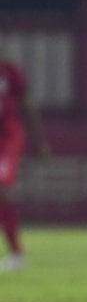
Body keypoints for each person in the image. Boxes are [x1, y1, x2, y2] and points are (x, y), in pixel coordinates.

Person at [0, 43, 49, 272]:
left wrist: (39, 141)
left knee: (2, 190)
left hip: (8, 139)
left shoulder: (10, 72)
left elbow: (28, 104)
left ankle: (17, 254)